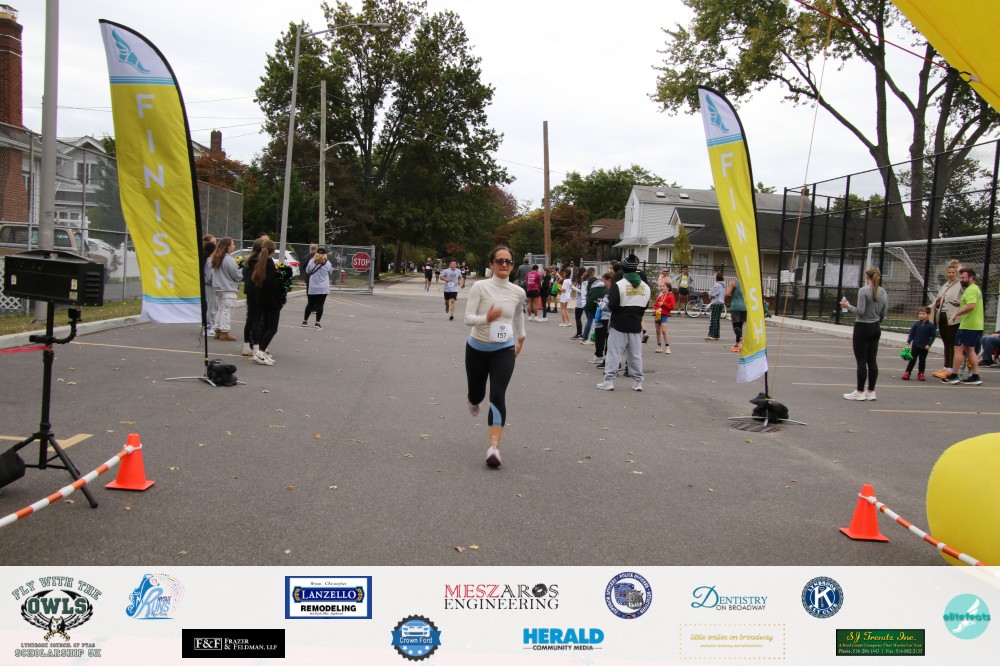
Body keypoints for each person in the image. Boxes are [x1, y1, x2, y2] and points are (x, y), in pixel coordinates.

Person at [464, 245, 526, 468]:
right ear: (491, 264)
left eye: (508, 261)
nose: (504, 264)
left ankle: (493, 448)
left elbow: (517, 316)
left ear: (513, 265)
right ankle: (473, 400)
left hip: (504, 349)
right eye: (500, 261)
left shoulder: (518, 292)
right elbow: (468, 318)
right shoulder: (480, 287)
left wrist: (521, 337)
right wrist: (486, 319)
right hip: (477, 349)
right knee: (477, 394)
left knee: (497, 395)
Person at [597, 255, 650, 391]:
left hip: (619, 324)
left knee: (614, 353)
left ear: (623, 269)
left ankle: (609, 381)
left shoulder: (619, 285)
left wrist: (604, 306)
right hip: (636, 324)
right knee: (635, 355)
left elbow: (612, 305)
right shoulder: (645, 287)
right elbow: (645, 305)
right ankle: (638, 382)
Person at [840, 266, 889, 400]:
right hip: (875, 327)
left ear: (867, 277)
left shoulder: (863, 291)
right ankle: (871, 391)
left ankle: (860, 392)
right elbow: (883, 313)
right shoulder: (883, 292)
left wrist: (848, 306)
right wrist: (876, 318)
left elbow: (860, 311)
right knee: (872, 361)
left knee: (861, 361)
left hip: (862, 327)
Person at [941, 267, 984, 385]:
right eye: (960, 278)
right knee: (970, 349)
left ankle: (954, 375)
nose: (961, 280)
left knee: (958, 349)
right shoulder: (976, 288)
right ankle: (975, 376)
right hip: (976, 325)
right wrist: (960, 303)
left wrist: (956, 314)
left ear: (971, 278)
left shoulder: (971, 290)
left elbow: (971, 306)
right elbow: (970, 304)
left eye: (963, 278)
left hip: (968, 325)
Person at [249, 239, 285, 366]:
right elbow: (272, 284)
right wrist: (282, 279)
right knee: (272, 328)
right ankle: (261, 351)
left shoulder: (261, 262)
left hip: (262, 299)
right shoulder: (269, 264)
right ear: (273, 251)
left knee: (265, 326)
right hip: (271, 300)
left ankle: (261, 351)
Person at [930, 259, 964, 378]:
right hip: (942, 315)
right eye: (949, 272)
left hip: (953, 316)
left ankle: (951, 368)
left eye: (953, 272)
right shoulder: (946, 285)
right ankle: (945, 367)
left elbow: (965, 289)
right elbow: (939, 297)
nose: (950, 274)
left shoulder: (960, 285)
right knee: (945, 342)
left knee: (952, 342)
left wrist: (961, 271)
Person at [209, 237, 241, 341]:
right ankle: (225, 331)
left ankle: (217, 330)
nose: (234, 246)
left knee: (220, 309)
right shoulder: (229, 260)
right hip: (228, 288)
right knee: (227, 310)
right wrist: (242, 272)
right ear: (228, 247)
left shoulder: (215, 258)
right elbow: (236, 275)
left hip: (218, 287)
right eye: (232, 244)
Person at [241, 237, 267, 358]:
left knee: (250, 319)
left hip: (249, 291)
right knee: (257, 320)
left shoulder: (248, 260)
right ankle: (256, 347)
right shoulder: (260, 261)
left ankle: (246, 346)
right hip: (258, 291)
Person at [302, 247, 334, 329]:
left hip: (313, 285)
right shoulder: (328, 263)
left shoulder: (311, 261)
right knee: (320, 304)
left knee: (310, 303)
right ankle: (317, 322)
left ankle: (305, 321)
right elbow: (330, 271)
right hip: (323, 286)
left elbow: (308, 271)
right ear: (325, 254)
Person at [902, 305, 936, 381]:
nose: (921, 315)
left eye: (923, 314)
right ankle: (907, 372)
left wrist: (929, 344)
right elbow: (912, 334)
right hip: (915, 345)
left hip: (924, 347)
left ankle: (921, 373)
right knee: (912, 360)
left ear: (928, 315)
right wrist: (908, 342)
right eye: (920, 313)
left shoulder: (931, 326)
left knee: (922, 361)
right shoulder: (916, 324)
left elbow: (933, 336)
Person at [587, 271, 611, 363]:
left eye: (604, 281)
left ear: (609, 280)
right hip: (606, 317)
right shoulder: (608, 289)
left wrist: (601, 303)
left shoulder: (612, 290)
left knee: (600, 337)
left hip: (605, 317)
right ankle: (605, 357)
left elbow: (608, 305)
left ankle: (599, 356)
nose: (603, 283)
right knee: (606, 338)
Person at [653, 277, 675, 353]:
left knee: (664, 330)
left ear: (668, 288)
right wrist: (656, 309)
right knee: (657, 331)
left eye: (663, 286)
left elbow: (671, 306)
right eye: (661, 286)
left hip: (664, 315)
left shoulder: (670, 296)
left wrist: (663, 304)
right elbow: (655, 305)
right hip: (658, 314)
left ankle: (667, 347)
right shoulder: (661, 296)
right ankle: (659, 346)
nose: (661, 287)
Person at [726, 277, 747, 352]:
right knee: (740, 327)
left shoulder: (733, 283)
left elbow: (727, 294)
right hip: (744, 307)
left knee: (735, 326)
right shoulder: (746, 284)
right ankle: (736, 345)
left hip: (735, 307)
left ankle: (741, 338)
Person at [201, 234, 216, 337]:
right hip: (210, 285)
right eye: (213, 242)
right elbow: (211, 276)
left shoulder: (206, 258)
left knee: (210, 306)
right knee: (211, 307)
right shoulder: (209, 260)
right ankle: (210, 327)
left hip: (208, 284)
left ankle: (209, 325)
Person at [705, 273, 726, 341]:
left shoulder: (717, 285)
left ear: (716, 278)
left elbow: (712, 294)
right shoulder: (723, 285)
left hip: (716, 303)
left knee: (713, 319)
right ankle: (717, 335)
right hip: (721, 303)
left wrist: (709, 293)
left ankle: (712, 335)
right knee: (717, 320)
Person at [580, 267, 599, 343]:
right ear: (593, 273)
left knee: (589, 321)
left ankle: (584, 337)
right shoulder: (593, 282)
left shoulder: (583, 282)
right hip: (590, 302)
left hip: (584, 302)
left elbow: (583, 293)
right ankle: (589, 337)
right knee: (592, 321)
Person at [571, 267, 588, 340]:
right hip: (581, 301)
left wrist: (573, 287)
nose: (577, 272)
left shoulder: (582, 280)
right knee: (579, 318)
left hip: (580, 302)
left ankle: (579, 333)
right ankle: (580, 333)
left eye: (578, 271)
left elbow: (581, 291)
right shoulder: (582, 280)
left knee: (578, 318)